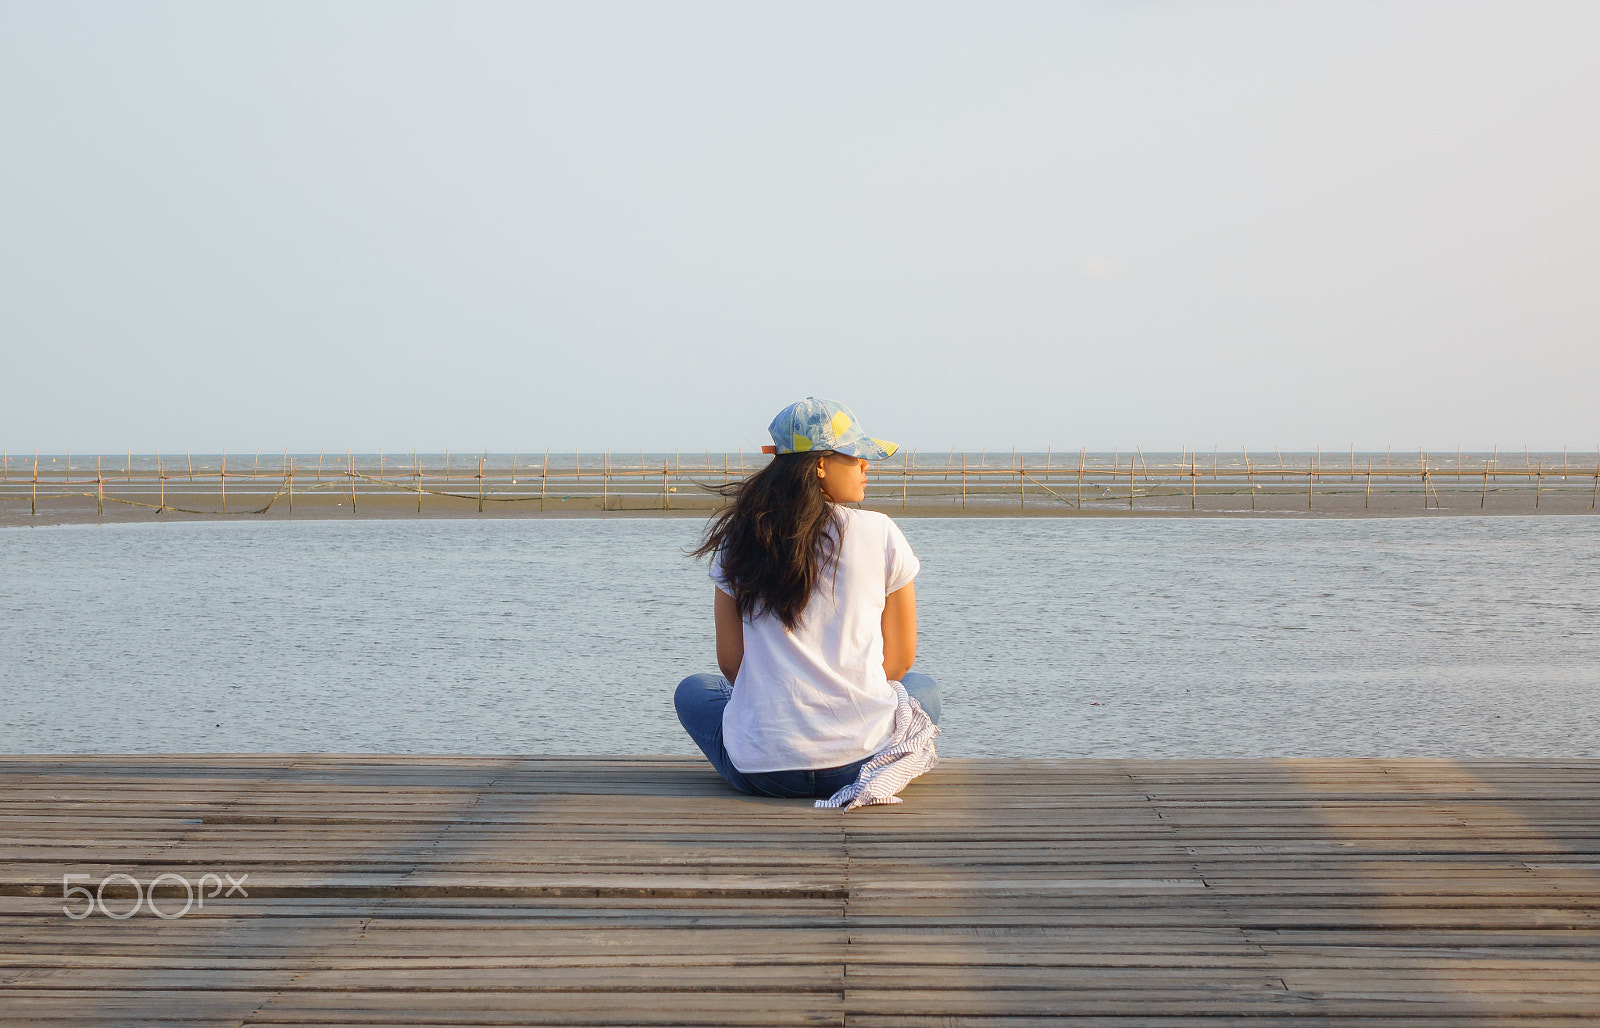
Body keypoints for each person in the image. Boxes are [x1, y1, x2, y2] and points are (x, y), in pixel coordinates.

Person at [675, 397, 941, 803]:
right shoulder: (881, 532)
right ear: (820, 464)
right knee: (923, 687)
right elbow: (901, 661)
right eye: (855, 456)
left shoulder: (740, 539)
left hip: (764, 774)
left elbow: (731, 663)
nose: (866, 466)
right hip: (860, 759)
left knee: (694, 690)